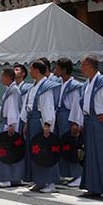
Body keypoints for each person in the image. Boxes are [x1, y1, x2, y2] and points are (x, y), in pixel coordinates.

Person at [69, 55, 103, 198]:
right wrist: (79, 122)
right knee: (91, 157)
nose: (81, 68)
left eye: (83, 65)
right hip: (90, 122)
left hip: (101, 124)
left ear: (91, 66)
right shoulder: (86, 84)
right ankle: (94, 186)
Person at [21, 60, 61, 193]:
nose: (30, 71)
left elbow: (47, 106)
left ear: (37, 70)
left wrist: (47, 124)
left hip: (40, 121)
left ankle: (50, 182)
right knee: (35, 152)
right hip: (32, 120)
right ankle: (39, 180)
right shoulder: (33, 86)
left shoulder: (45, 87)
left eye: (31, 69)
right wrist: (26, 122)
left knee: (45, 151)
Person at [53, 58, 84, 187]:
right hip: (60, 115)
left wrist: (75, 122)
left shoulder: (75, 86)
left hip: (69, 115)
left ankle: (78, 174)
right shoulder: (59, 84)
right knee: (63, 145)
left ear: (64, 70)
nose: (56, 71)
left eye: (58, 68)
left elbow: (76, 105)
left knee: (72, 146)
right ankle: (67, 172)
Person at [0, 68, 24, 188]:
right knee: (12, 151)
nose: (1, 79)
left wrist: (11, 124)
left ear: (7, 77)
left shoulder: (13, 90)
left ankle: (6, 178)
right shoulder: (10, 89)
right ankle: (14, 177)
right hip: (8, 122)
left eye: (2, 76)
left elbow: (13, 108)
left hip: (9, 124)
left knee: (4, 151)